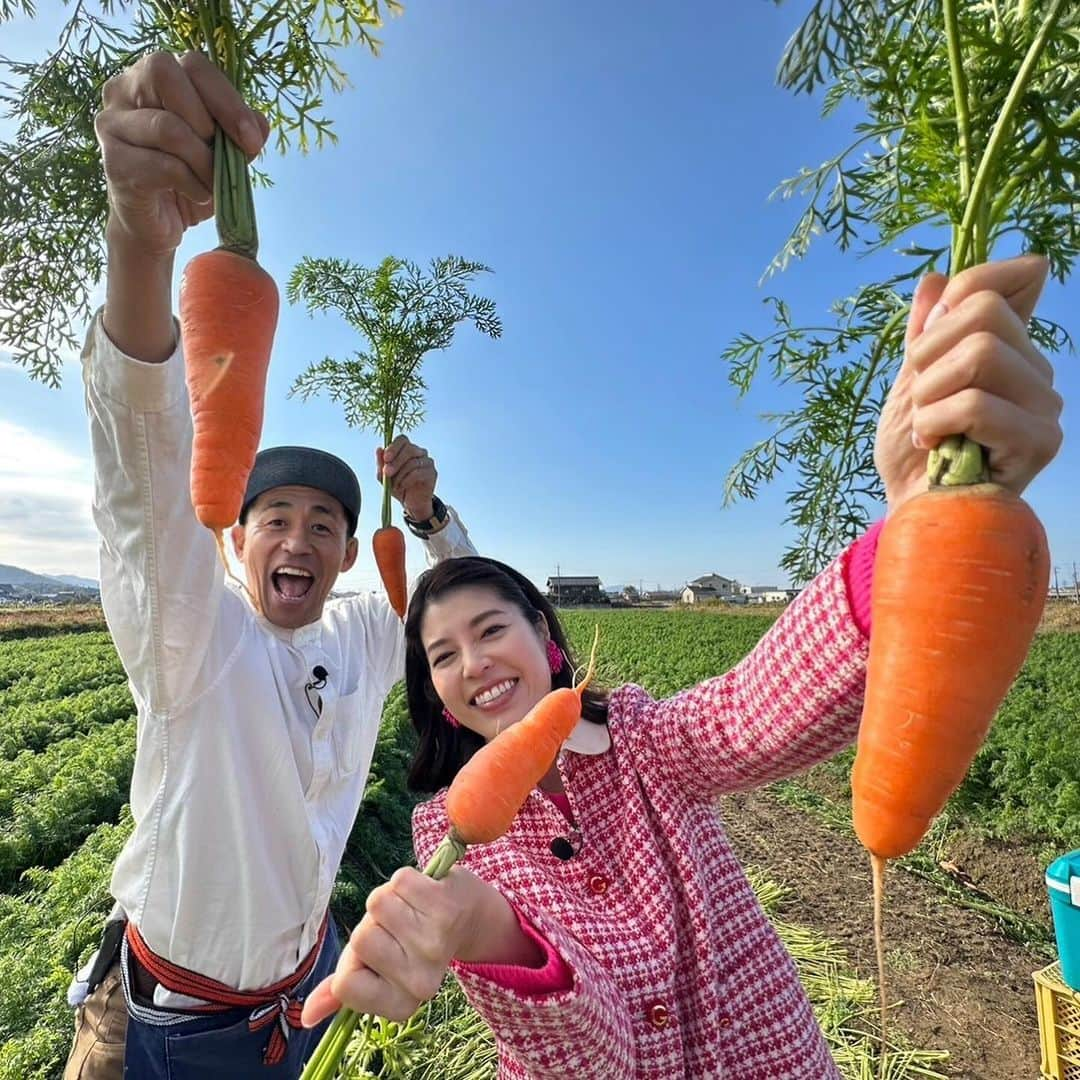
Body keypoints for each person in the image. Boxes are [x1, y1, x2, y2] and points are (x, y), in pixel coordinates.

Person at [300, 254, 1064, 1078]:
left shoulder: (644, 738)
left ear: (548, 642)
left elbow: (758, 704)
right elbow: (594, 1056)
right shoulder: (444, 838)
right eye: (443, 657)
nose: (474, 662)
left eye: (492, 630)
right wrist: (495, 934)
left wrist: (922, 527)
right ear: (441, 701)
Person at [63, 50, 478, 1080]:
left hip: (308, 985)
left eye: (325, 525)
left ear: (346, 554)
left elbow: (456, 609)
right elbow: (145, 491)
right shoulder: (195, 633)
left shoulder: (360, 633)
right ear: (235, 539)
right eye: (276, 518)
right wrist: (139, 247)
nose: (299, 538)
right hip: (181, 1026)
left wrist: (424, 518)